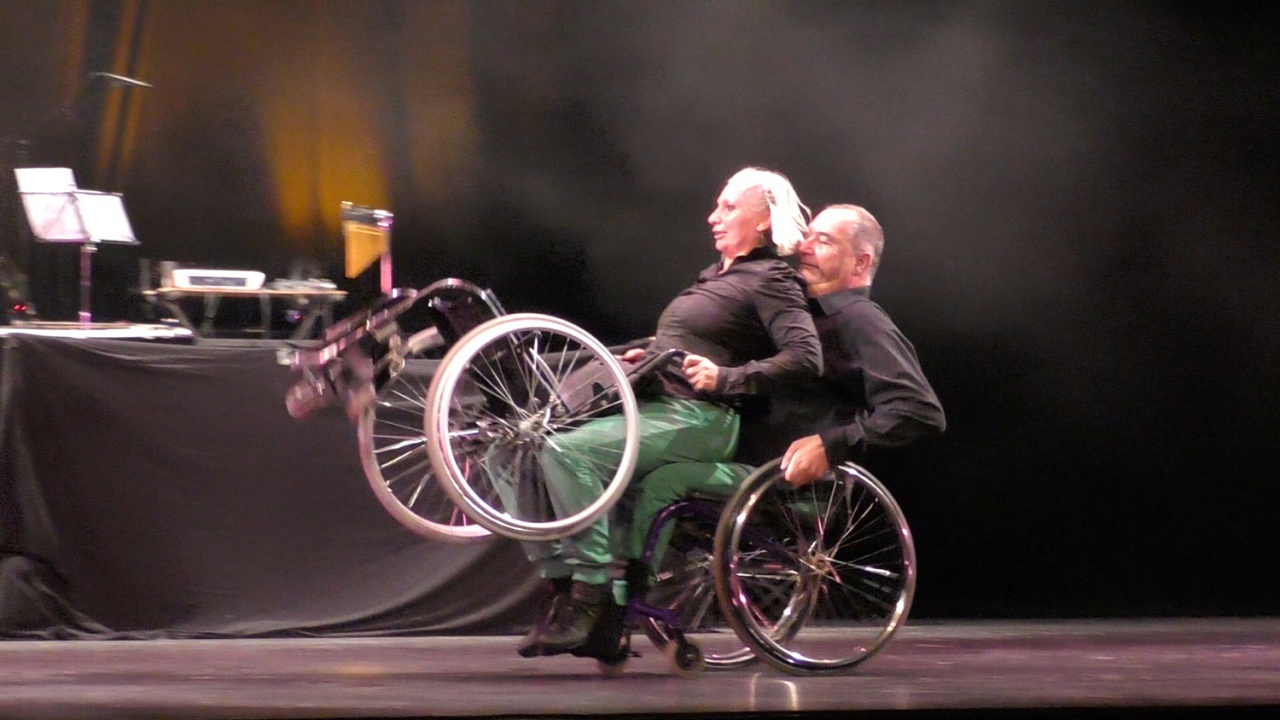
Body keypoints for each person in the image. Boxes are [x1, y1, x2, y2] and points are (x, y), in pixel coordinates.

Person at [514, 167, 823, 657]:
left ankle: (591, 597)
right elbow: (686, 342)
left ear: (764, 220)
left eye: (728, 208)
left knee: (567, 453)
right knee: (521, 449)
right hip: (660, 404)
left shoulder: (771, 278)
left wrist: (727, 377)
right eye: (717, 206)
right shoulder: (714, 278)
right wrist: (648, 355)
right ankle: (560, 586)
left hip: (701, 418)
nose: (713, 216)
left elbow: (806, 356)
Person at [618, 203, 946, 578]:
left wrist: (831, 444)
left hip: (785, 480)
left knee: (662, 482)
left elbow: (918, 409)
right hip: (735, 456)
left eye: (824, 241)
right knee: (628, 461)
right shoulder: (793, 312)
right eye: (807, 236)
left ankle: (621, 595)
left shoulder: (860, 320)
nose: (804, 247)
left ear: (860, 262)